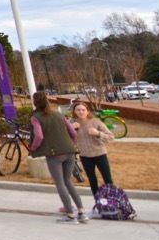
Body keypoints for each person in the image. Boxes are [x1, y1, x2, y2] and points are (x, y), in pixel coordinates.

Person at [29, 92, 87, 224]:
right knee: (69, 181)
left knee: (60, 183)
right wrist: (69, 143)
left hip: (55, 154)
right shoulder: (59, 115)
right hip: (70, 151)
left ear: (35, 102)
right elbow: (72, 132)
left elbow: (39, 136)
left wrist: (33, 148)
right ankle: (82, 212)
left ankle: (71, 215)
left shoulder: (36, 117)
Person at [70, 100, 114, 201]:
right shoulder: (71, 122)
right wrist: (71, 129)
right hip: (85, 155)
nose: (81, 112)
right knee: (92, 180)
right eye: (78, 110)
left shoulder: (95, 121)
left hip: (100, 154)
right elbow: (64, 138)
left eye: (83, 110)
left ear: (87, 111)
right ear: (74, 111)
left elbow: (111, 137)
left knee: (107, 179)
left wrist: (98, 133)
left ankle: (113, 200)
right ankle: (98, 201)